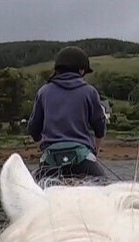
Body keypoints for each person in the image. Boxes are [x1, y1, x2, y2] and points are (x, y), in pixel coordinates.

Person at [27, 46, 111, 182]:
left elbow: (33, 128)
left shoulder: (44, 92)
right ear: (81, 70)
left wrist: (44, 147)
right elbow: (99, 127)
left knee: (31, 192)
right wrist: (95, 149)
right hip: (83, 158)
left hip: (50, 160)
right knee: (106, 189)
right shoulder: (89, 92)